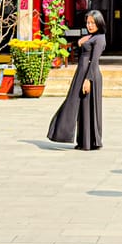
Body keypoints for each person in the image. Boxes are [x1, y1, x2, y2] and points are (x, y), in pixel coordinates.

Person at [47, 10, 105, 151]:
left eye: (92, 22)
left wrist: (88, 80)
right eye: (88, 22)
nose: (90, 25)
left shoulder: (100, 38)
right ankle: (83, 141)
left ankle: (91, 142)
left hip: (89, 75)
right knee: (79, 106)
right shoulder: (91, 37)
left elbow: (94, 61)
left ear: (99, 23)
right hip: (81, 73)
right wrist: (81, 42)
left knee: (88, 107)